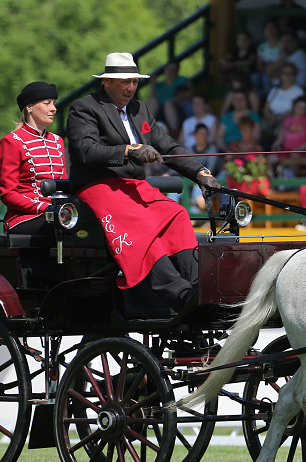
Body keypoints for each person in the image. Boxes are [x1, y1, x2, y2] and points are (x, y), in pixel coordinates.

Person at [66, 53, 221, 316]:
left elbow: (167, 146)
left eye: (134, 82)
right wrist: (128, 150)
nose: (130, 88)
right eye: (125, 82)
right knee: (138, 221)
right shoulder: (85, 108)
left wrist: (200, 171)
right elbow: (86, 151)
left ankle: (200, 288)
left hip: (133, 185)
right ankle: (176, 293)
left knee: (176, 213)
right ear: (107, 82)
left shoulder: (141, 109)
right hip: (98, 184)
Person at [0, 82, 66, 234]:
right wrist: (44, 207)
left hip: (56, 214)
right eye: (47, 103)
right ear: (29, 107)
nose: (53, 108)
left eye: (53, 103)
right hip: (24, 217)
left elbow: (64, 185)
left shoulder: (57, 141)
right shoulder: (12, 141)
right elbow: (8, 194)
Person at [270, 97, 306, 170]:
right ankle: (271, 180)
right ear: (294, 107)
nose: (301, 109)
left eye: (303, 108)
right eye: (299, 107)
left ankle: (289, 180)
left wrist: (299, 149)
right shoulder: (287, 120)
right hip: (286, 151)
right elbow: (280, 138)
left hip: (302, 152)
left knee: (293, 160)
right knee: (269, 159)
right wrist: (274, 146)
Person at [185, 123, 221, 219]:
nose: (204, 137)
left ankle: (194, 219)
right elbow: (184, 166)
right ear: (195, 135)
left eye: (206, 134)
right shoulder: (189, 150)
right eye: (201, 134)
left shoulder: (212, 149)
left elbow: (210, 170)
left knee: (198, 190)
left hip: (209, 182)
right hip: (191, 182)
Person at [262, 63, 305, 138]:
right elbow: (265, 109)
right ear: (280, 75)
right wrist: (270, 117)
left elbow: (296, 110)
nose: (288, 76)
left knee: (278, 132)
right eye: (285, 73)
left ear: (295, 76)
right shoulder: (274, 90)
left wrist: (279, 118)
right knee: (260, 128)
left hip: (288, 120)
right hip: (271, 118)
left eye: (291, 73)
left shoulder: (298, 91)